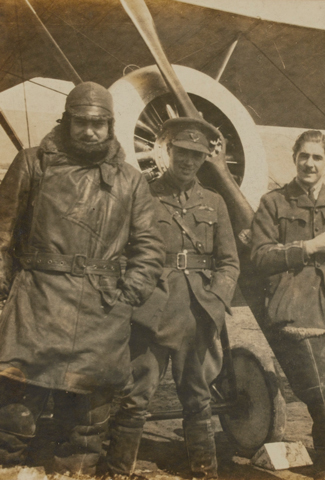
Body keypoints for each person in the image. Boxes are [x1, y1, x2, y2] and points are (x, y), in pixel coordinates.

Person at [0, 82, 164, 475]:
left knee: (86, 425)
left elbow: (149, 249)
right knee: (13, 417)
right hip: (36, 305)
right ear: (67, 122)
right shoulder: (31, 163)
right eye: (81, 122)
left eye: (98, 123)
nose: (90, 131)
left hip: (100, 312)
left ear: (110, 126)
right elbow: (2, 234)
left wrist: (126, 297)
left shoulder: (130, 180)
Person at [106, 117, 240, 479]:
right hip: (151, 309)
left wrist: (215, 302)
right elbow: (121, 253)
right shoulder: (143, 196)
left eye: (197, 156)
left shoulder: (214, 202)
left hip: (196, 313)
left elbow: (229, 263)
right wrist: (132, 296)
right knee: (137, 395)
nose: (188, 161)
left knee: (198, 397)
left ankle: (204, 471)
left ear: (203, 160)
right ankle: (119, 470)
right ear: (166, 152)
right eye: (182, 152)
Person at [251, 130, 325, 479]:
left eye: (317, 157)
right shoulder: (274, 202)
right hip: (297, 309)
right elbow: (258, 256)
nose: (310, 163)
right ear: (294, 158)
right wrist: (306, 248)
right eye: (304, 156)